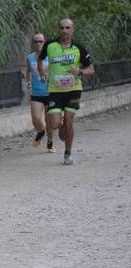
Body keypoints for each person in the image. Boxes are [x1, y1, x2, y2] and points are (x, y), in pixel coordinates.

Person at [38, 17, 94, 165]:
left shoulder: (79, 48)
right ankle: (64, 126)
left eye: (67, 28)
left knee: (69, 120)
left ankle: (67, 154)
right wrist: (42, 73)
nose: (64, 30)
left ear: (72, 29)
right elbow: (40, 59)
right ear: (58, 29)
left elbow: (91, 69)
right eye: (62, 28)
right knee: (55, 124)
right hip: (55, 90)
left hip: (73, 89)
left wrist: (80, 72)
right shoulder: (50, 45)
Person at [24, 33, 53, 151]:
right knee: (36, 119)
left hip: (50, 92)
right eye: (36, 41)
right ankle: (41, 132)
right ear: (32, 43)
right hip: (36, 93)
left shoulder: (50, 56)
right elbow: (27, 71)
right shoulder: (30, 57)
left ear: (45, 42)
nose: (38, 44)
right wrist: (28, 82)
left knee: (49, 120)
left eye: (41, 41)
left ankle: (50, 143)